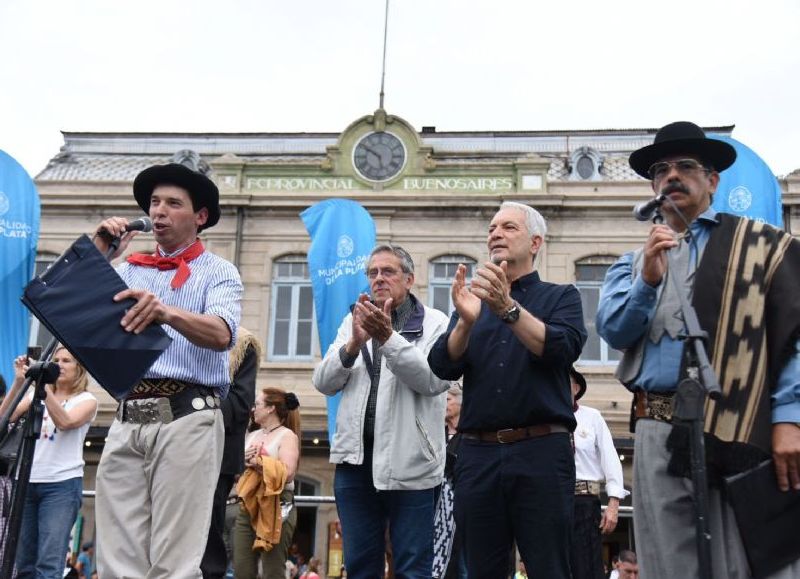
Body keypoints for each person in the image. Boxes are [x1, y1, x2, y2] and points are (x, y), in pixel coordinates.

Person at [596, 121, 800, 578]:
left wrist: (790, 418)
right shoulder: (630, 263)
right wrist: (647, 281)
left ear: (712, 180)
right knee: (668, 565)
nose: (672, 176)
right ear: (652, 186)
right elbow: (614, 332)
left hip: (735, 424)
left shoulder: (758, 249)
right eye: (661, 170)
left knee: (744, 562)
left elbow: (793, 338)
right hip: (655, 428)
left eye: (686, 166)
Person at [91, 157, 243, 578]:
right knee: (117, 560)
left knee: (174, 562)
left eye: (173, 203)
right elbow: (76, 315)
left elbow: (222, 334)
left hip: (187, 417)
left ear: (200, 216)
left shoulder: (219, 272)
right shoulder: (126, 268)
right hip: (126, 419)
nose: (159, 210)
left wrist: (167, 313)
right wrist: (99, 254)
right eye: (155, 202)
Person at [428, 201, 587, 578]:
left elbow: (560, 348)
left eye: (508, 227)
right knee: (482, 569)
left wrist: (508, 309)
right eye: (491, 228)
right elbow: (442, 365)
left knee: (550, 566)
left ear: (535, 242)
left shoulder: (562, 296)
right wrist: (466, 324)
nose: (495, 233)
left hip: (541, 452)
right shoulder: (474, 301)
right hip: (477, 454)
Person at [313, 244, 451, 578]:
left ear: (410, 279)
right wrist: (353, 345)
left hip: (412, 464)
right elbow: (323, 381)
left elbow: (432, 380)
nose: (378, 279)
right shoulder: (352, 320)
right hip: (355, 463)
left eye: (388, 272)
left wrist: (387, 337)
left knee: (413, 568)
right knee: (360, 566)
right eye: (372, 273)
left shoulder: (435, 323)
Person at [0, 347, 98, 579]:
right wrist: (19, 382)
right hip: (25, 482)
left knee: (49, 564)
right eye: (55, 360)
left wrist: (42, 388)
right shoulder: (36, 395)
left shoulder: (87, 400)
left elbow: (65, 421)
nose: (60, 365)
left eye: (67, 361)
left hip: (61, 486)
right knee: (23, 564)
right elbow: (3, 420)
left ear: (79, 368)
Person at [202, 328, 262, 579]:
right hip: (175, 446)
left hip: (217, 452)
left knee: (208, 528)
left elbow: (240, 403)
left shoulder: (243, 344)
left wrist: (196, 409)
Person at [232, 387, 301, 579]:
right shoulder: (252, 436)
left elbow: (287, 473)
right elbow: (240, 476)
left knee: (272, 570)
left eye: (258, 404)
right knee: (241, 568)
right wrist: (242, 462)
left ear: (271, 408)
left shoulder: (287, 436)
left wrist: (258, 462)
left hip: (277, 504)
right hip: (249, 503)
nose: (253, 409)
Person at [569, 367, 629, 579]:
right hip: (552, 502)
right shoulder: (543, 420)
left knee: (587, 566)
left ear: (576, 388)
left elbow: (610, 459)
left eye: (564, 383)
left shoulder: (592, 417)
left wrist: (613, 503)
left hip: (585, 502)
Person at [433, 382, 468, 579]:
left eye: (447, 399)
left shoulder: (471, 434)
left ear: (461, 403)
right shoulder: (437, 432)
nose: (443, 404)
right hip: (436, 515)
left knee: (463, 567)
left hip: (463, 514)